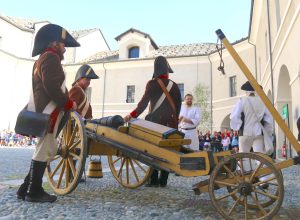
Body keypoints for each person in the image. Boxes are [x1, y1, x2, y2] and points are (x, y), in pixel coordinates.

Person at [16, 24, 79, 203]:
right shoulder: (51, 58)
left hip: (47, 111)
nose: (65, 47)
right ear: (54, 43)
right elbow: (51, 86)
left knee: (43, 149)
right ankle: (34, 191)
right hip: (49, 112)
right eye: (62, 43)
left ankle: (25, 188)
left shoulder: (45, 58)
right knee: (45, 150)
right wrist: (69, 103)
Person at [124, 56, 182, 187]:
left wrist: (131, 115)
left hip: (156, 123)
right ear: (167, 71)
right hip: (171, 124)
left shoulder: (152, 84)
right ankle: (164, 180)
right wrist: (174, 123)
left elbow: (143, 104)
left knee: (153, 151)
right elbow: (178, 107)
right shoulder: (175, 86)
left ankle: (154, 180)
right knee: (168, 151)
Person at [230, 81, 273, 187]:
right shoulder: (262, 101)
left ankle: (242, 178)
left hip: (245, 133)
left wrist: (237, 126)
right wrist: (268, 132)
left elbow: (234, 116)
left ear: (246, 91)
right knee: (260, 156)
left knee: (242, 156)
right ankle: (264, 179)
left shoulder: (242, 100)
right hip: (258, 133)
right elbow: (269, 119)